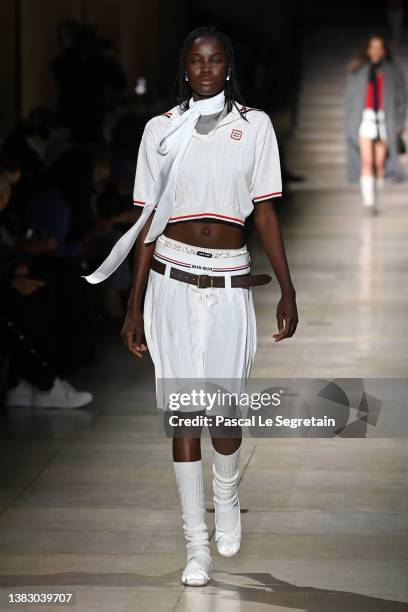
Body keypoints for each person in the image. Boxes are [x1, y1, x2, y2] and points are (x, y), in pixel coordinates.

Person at [82, 25, 298, 586]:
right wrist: (133, 306)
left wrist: (288, 288)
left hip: (228, 279)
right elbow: (147, 221)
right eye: (196, 61)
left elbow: (267, 212)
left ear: (229, 66)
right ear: (185, 67)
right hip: (172, 277)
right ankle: (194, 547)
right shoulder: (160, 130)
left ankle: (226, 493)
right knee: (183, 411)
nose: (206, 69)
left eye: (216, 60)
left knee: (222, 410)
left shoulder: (254, 127)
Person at [345, 34, 407, 214]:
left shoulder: (393, 72)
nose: (376, 51)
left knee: (379, 164)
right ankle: (369, 203)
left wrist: (399, 122)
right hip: (365, 119)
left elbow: (403, 99)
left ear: (385, 50)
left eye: (380, 47)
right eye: (373, 47)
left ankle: (374, 198)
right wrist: (350, 124)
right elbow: (350, 100)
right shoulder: (358, 71)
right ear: (367, 49)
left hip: (385, 120)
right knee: (367, 162)